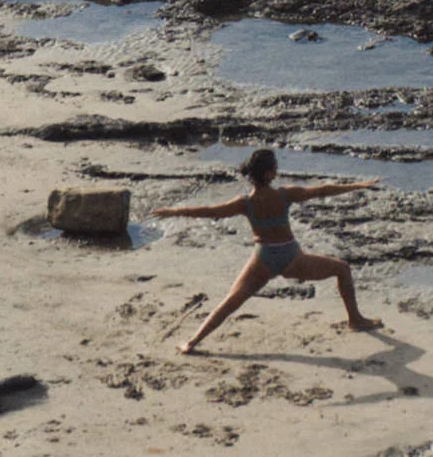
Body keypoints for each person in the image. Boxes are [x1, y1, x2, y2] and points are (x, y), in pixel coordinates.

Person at [151, 147, 382, 354]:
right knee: (342, 269)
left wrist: (174, 211)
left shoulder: (245, 202)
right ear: (269, 173)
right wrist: (357, 185)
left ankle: (192, 342)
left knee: (232, 301)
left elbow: (210, 211)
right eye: (275, 168)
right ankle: (355, 319)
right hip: (292, 258)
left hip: (262, 259)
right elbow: (322, 190)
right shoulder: (285, 194)